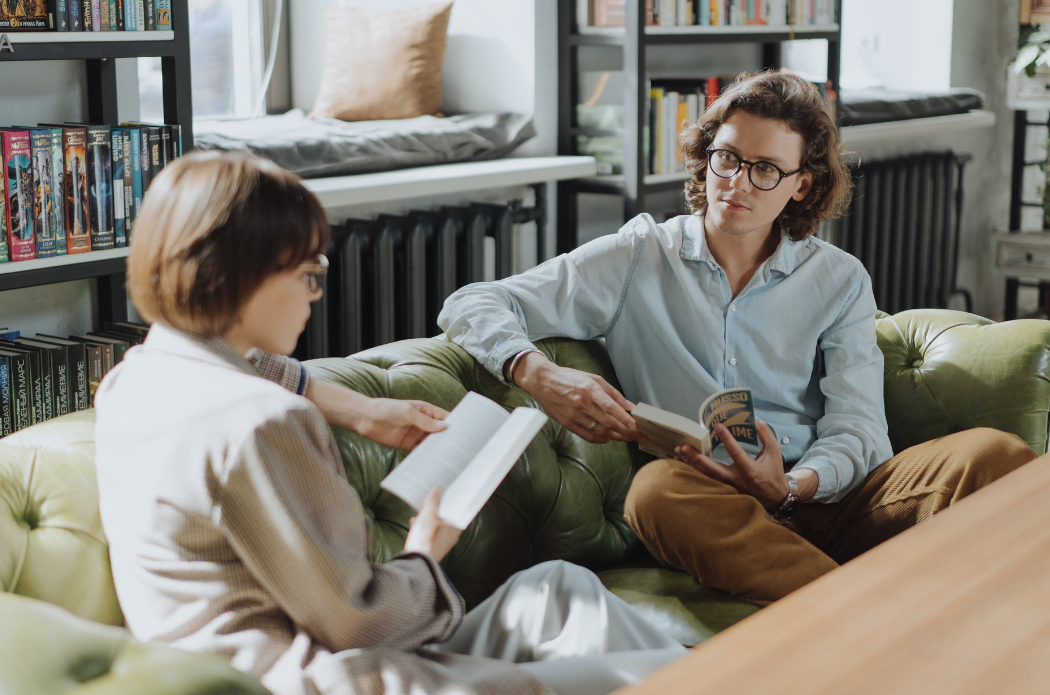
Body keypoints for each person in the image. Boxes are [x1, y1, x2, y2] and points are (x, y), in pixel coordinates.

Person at [438, 70, 1037, 607]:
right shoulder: (637, 257)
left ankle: (855, 603)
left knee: (994, 454)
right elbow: (474, 300)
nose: (738, 183)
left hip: (830, 498)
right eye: (727, 158)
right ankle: (862, 615)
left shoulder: (837, 279)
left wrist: (795, 485)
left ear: (802, 185)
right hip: (714, 508)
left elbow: (859, 430)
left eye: (766, 169)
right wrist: (535, 371)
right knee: (653, 492)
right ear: (706, 157)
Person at [93, 151, 683, 695]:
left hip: (285, 657)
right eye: (307, 273)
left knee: (558, 588)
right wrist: (426, 551)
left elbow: (258, 365)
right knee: (673, 678)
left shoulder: (134, 379)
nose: (314, 294)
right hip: (319, 678)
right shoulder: (262, 425)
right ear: (243, 277)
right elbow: (358, 619)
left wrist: (364, 409)